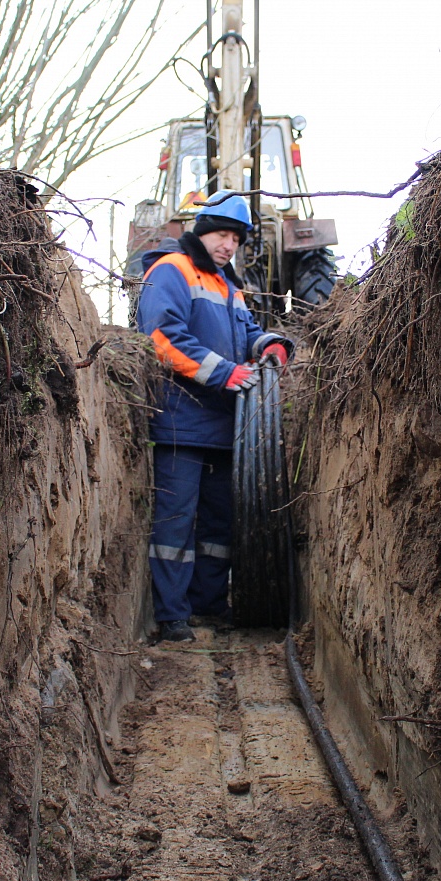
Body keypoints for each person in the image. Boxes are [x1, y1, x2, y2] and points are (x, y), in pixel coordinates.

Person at [134, 193, 292, 643]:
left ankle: (208, 604)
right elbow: (163, 337)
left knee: (219, 526)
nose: (230, 245)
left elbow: (247, 333)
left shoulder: (228, 286)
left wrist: (270, 345)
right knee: (175, 522)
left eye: (236, 238)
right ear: (202, 231)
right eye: (223, 234)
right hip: (182, 421)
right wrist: (225, 372)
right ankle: (172, 616)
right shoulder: (171, 270)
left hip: (227, 429)